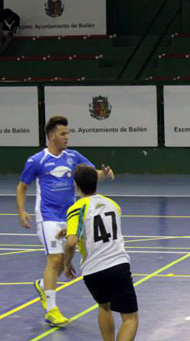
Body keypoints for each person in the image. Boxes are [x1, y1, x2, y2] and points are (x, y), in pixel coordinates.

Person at [16, 116, 114, 326]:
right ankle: (51, 310)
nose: (67, 137)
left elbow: (91, 174)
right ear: (51, 136)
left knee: (61, 261)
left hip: (70, 216)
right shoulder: (37, 160)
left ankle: (43, 286)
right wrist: (21, 210)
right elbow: (22, 186)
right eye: (63, 134)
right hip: (47, 215)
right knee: (54, 260)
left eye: (68, 133)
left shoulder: (73, 156)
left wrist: (104, 175)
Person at [63, 165, 141, 341]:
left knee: (104, 306)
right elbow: (96, 226)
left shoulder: (76, 208)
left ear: (76, 185)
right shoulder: (113, 205)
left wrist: (66, 263)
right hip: (117, 265)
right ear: (96, 183)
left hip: (92, 271)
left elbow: (71, 240)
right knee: (131, 318)